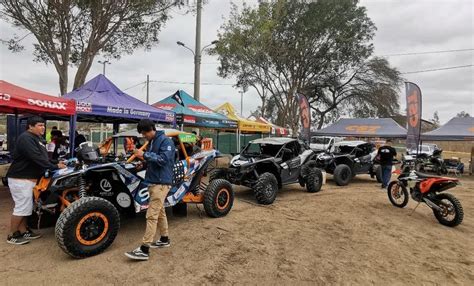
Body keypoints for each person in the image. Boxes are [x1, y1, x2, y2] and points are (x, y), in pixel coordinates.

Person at [6, 116, 66, 245]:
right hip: (20, 179)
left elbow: (44, 157)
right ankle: (12, 235)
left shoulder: (37, 139)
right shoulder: (26, 138)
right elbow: (36, 157)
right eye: (39, 125)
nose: (43, 128)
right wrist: (55, 166)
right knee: (21, 207)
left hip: (29, 179)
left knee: (26, 207)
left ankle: (23, 231)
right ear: (30, 126)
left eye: (43, 125)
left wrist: (56, 162)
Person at [125, 119, 175, 261]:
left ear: (149, 130)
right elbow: (155, 161)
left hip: (160, 183)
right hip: (154, 182)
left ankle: (144, 249)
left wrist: (144, 155)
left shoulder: (166, 142)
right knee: (160, 212)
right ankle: (164, 239)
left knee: (151, 215)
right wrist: (144, 164)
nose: (143, 136)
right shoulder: (153, 142)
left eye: (144, 133)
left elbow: (163, 160)